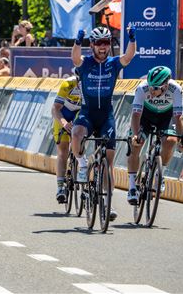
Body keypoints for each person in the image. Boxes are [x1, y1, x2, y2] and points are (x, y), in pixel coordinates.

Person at [70, 26, 136, 221]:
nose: (102, 47)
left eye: (106, 43)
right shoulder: (86, 63)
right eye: (98, 43)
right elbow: (75, 58)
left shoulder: (113, 63)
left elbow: (129, 56)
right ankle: (82, 165)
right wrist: (77, 41)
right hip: (88, 113)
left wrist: (132, 38)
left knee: (108, 164)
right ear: (92, 45)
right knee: (76, 133)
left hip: (106, 115)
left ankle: (108, 203)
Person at [126, 66, 183, 204]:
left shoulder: (176, 89)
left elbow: (178, 117)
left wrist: (182, 139)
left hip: (166, 116)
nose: (152, 91)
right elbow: (136, 115)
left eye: (156, 88)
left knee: (171, 140)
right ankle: (131, 187)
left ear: (165, 85)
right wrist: (135, 135)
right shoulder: (142, 88)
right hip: (145, 116)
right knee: (136, 144)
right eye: (151, 87)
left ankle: (161, 174)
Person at [52, 69, 82, 203]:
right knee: (63, 151)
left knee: (80, 143)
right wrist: (63, 123)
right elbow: (55, 108)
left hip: (79, 113)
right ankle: (60, 187)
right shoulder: (68, 84)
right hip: (64, 113)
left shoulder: (92, 84)